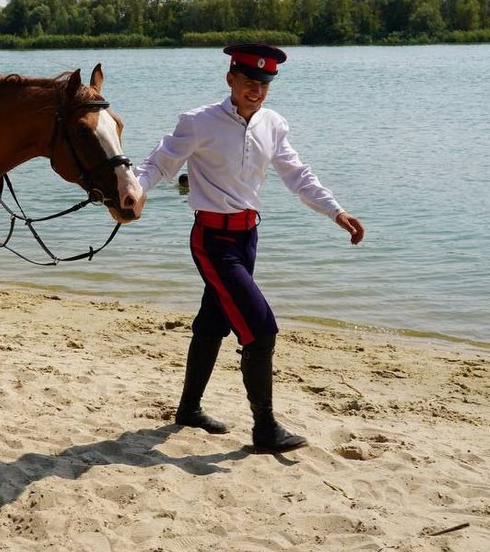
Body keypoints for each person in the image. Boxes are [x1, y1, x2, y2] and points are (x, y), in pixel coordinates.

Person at [133, 43, 364, 454]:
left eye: (264, 84)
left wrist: (335, 211)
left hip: (248, 237)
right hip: (212, 240)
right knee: (260, 329)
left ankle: (188, 409)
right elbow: (160, 164)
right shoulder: (198, 122)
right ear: (231, 80)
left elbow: (298, 175)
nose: (256, 90)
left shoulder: (273, 125)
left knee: (212, 323)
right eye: (249, 82)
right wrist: (135, 191)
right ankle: (264, 429)